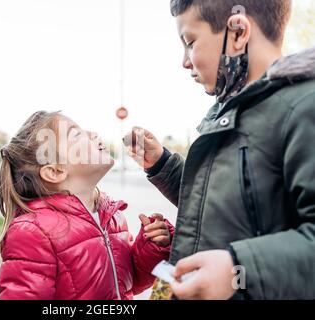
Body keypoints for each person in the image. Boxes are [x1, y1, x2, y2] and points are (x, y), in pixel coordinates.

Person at [125, 0, 315, 299]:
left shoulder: (304, 108)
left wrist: (237, 268)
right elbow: (217, 204)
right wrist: (161, 163)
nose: (185, 62)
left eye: (190, 42)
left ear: (238, 33)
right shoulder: (229, 114)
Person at [0, 111, 174, 300]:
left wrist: (152, 248)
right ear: (55, 171)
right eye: (76, 134)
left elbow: (128, 283)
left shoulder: (111, 217)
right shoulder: (32, 232)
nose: (93, 134)